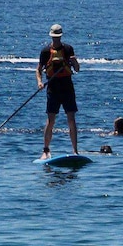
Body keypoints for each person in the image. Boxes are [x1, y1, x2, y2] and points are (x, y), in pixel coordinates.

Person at [36, 23, 80, 159]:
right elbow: (38, 69)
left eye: (58, 37)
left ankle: (75, 151)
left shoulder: (68, 49)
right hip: (53, 87)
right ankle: (46, 151)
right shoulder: (44, 52)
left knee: (71, 119)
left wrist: (74, 62)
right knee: (51, 120)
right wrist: (39, 82)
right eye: (54, 37)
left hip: (67, 86)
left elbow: (77, 69)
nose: (56, 39)